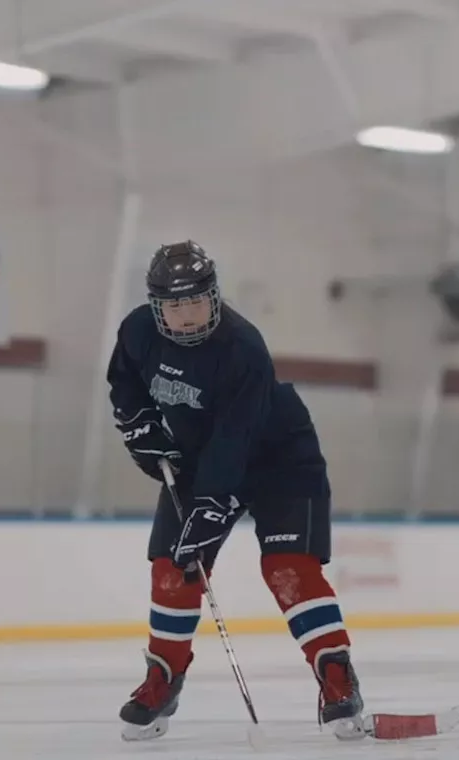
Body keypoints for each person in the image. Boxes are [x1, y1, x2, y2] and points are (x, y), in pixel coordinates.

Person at [108, 241, 368, 742]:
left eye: (197, 302)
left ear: (215, 296)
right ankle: (162, 678)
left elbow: (236, 439)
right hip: (197, 458)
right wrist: (139, 426)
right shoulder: (137, 330)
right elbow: (125, 383)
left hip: (279, 459)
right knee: (174, 567)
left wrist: (211, 504)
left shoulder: (242, 347)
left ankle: (337, 677)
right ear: (157, 306)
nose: (187, 316)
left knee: (288, 569)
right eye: (175, 306)